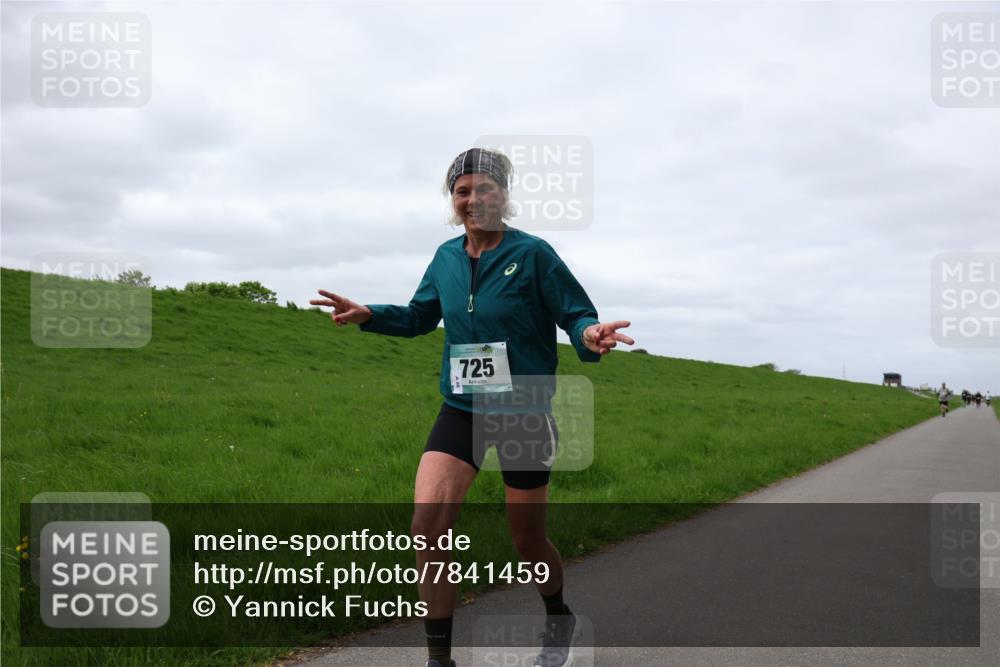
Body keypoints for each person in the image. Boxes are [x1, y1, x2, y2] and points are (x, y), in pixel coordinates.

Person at [311, 148, 634, 667]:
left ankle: (558, 616)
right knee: (427, 525)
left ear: (504, 196)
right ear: (453, 199)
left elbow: (575, 312)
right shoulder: (445, 258)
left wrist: (589, 334)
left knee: (527, 540)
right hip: (461, 407)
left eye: (485, 188)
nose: (473, 198)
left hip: (524, 409)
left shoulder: (534, 254)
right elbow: (420, 315)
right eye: (463, 190)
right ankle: (440, 658)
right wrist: (370, 314)